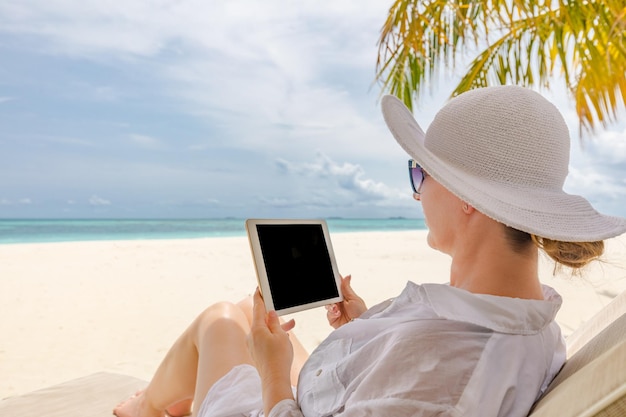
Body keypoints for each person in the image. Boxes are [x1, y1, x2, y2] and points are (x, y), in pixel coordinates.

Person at [113, 86, 626, 417]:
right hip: (329, 395)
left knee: (223, 321)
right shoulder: (530, 322)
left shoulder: (448, 356)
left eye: (421, 173)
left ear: (468, 200)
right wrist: (369, 327)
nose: (417, 192)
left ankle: (142, 409)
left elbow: (431, 375)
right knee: (247, 328)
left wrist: (271, 373)